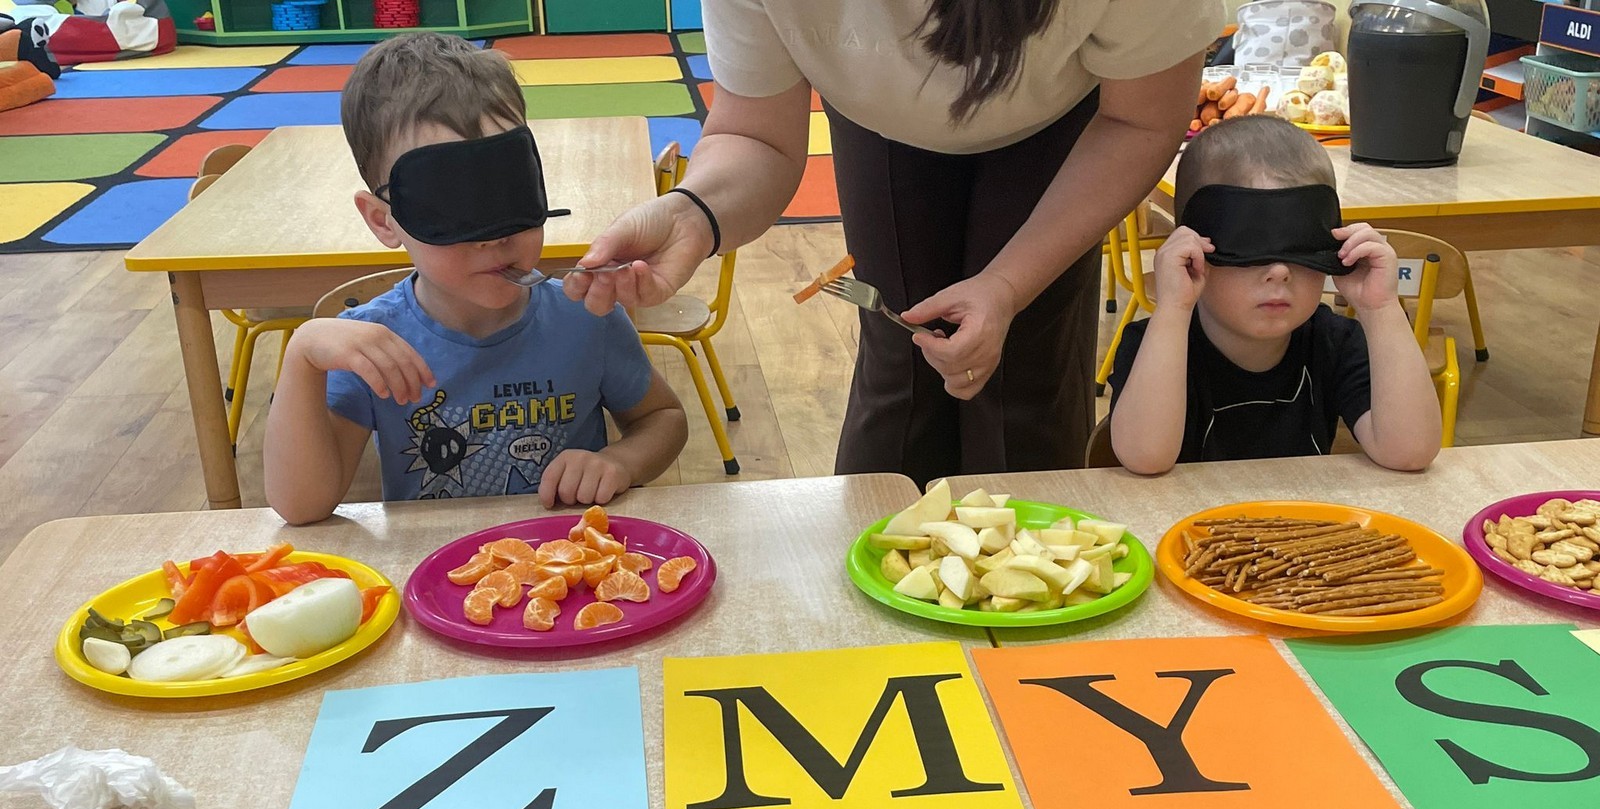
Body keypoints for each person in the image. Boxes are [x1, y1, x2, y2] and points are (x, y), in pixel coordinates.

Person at [564, 0, 1224, 485]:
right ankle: (875, 580)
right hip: (875, 116)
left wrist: (1007, 286)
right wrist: (695, 212)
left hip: (1066, 117)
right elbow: (756, 132)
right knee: (901, 361)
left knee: (1023, 378)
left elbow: (1141, 119)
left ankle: (1032, 607)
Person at [264, 33, 688, 526]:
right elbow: (301, 506)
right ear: (383, 220)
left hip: (565, 557)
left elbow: (663, 418)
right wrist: (302, 355)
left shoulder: (587, 318)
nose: (493, 238)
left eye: (509, 192)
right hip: (433, 562)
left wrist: (620, 462)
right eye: (449, 205)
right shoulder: (371, 348)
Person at [1108, 116, 1441, 475]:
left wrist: (1381, 309)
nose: (1280, 271)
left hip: (1300, 511)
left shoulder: (1336, 343)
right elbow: (1146, 457)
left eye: (1300, 247)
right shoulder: (1152, 345)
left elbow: (1410, 452)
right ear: (1193, 252)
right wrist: (1172, 308)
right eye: (1250, 246)